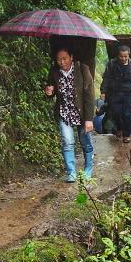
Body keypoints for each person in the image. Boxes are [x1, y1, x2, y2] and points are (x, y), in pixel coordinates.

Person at [44, 48, 95, 182]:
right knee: (67, 142)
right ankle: (71, 172)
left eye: (64, 58)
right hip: (64, 112)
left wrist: (89, 119)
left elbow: (89, 95)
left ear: (71, 57)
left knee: (86, 143)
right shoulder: (54, 71)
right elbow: (50, 89)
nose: (62, 62)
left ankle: (88, 169)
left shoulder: (82, 69)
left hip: (82, 113)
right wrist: (49, 92)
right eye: (59, 59)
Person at [100, 45, 131, 143]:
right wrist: (103, 91)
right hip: (114, 93)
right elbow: (106, 78)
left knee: (126, 114)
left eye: (125, 56)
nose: (123, 59)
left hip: (127, 94)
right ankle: (119, 129)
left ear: (129, 55)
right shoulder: (112, 63)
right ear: (118, 56)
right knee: (116, 113)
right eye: (121, 56)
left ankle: (126, 135)